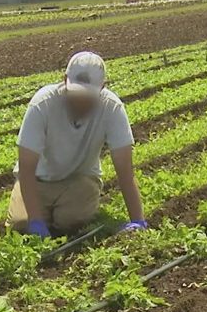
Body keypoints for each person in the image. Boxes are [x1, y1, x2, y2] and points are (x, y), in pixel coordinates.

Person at [9, 51, 147, 237]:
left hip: (80, 180)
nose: (81, 102)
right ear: (64, 80)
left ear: (103, 87)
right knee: (21, 224)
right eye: (75, 95)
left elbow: (125, 170)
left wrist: (137, 219)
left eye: (88, 97)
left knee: (70, 221)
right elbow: (26, 167)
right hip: (38, 179)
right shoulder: (43, 104)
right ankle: (41, 215)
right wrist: (35, 220)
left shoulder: (112, 107)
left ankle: (57, 214)